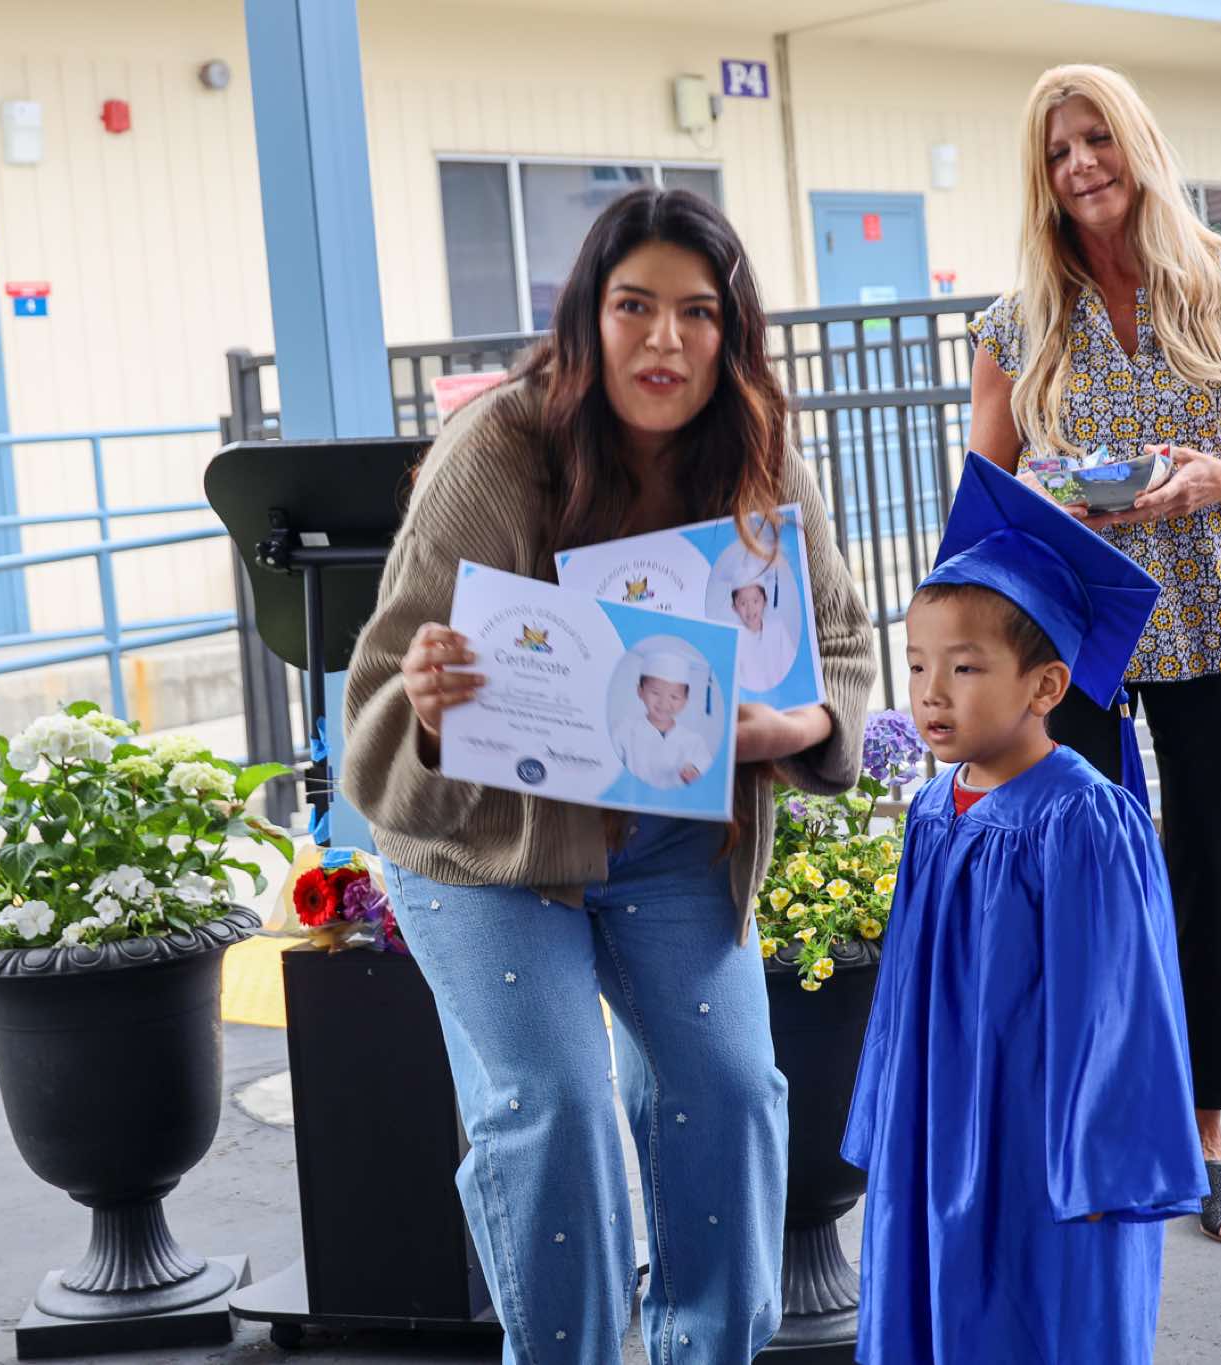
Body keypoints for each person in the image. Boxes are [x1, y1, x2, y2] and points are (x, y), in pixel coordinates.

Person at [341, 187, 877, 1363]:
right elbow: (378, 698)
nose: (663, 340)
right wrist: (426, 706)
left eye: (697, 312)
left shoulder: (758, 454)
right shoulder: (497, 450)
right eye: (634, 306)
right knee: (557, 1110)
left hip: (672, 840)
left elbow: (838, 648)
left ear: (731, 332)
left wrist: (788, 729)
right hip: (489, 853)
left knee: (730, 1092)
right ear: (588, 316)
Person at [966, 63, 1221, 1245]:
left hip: (1218, 620)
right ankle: (1093, 1123)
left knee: (1204, 867)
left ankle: (1206, 1138)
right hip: (1071, 634)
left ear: (1137, 146)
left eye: (1096, 139)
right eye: (1057, 150)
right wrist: (1044, 499)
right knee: (1077, 869)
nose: (1079, 165)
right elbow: (981, 505)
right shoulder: (1015, 324)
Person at [842, 454, 1207, 1363]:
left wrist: (1101, 1158)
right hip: (940, 1117)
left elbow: (1121, 1005)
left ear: (1046, 686)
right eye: (917, 664)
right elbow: (902, 994)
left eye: (965, 667)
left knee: (1041, 1305)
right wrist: (891, 1113)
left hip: (1043, 1136)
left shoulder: (1083, 818)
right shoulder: (934, 809)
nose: (931, 692)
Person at [614, 650, 713, 788]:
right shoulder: (624, 731)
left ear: (685, 700)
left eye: (674, 697)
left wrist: (694, 772)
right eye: (655, 693)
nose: (664, 703)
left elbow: (706, 771)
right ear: (640, 691)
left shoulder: (694, 742)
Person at [730, 566, 798, 692]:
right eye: (743, 603)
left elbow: (791, 667)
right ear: (734, 607)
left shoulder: (778, 630)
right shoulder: (734, 640)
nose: (750, 609)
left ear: (765, 601)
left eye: (755, 601)